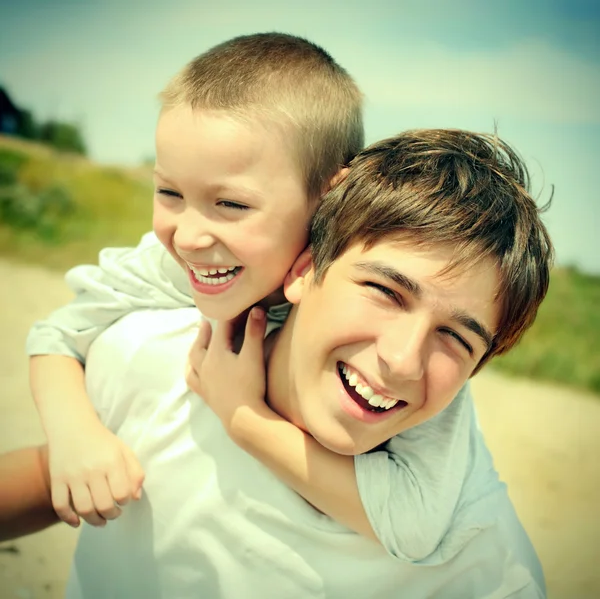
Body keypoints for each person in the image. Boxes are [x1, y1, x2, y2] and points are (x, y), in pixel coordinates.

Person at [4, 129, 552, 597]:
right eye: (386, 292)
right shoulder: (173, 357)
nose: (403, 360)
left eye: (456, 337)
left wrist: (244, 417)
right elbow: (59, 476)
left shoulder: (484, 562)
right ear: (303, 269)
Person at [24, 32, 486, 562]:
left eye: (230, 204)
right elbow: (59, 334)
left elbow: (413, 523)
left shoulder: (402, 346)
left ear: (329, 199)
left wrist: (242, 415)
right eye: (169, 193)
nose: (190, 236)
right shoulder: (170, 261)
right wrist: (74, 435)